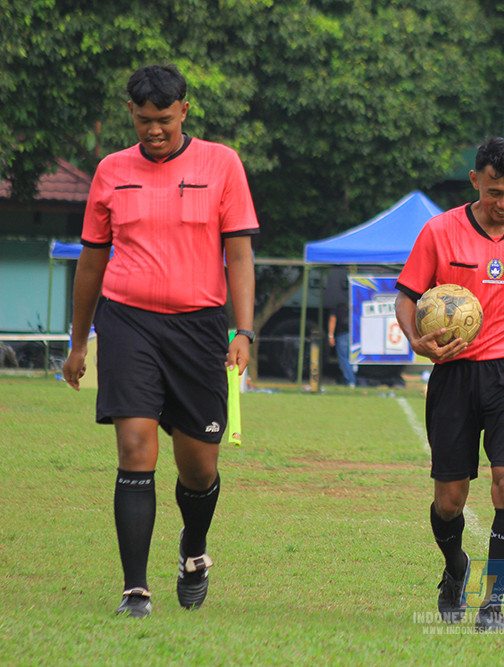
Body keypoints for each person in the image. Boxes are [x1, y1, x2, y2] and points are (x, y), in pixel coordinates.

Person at [61, 64, 259, 618]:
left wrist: (242, 330)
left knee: (198, 468)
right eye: (144, 120)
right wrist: (80, 343)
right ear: (131, 113)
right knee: (134, 448)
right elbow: (92, 261)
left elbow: (239, 255)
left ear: (185, 112)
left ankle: (193, 550)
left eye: (165, 120)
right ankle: (134, 589)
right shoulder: (110, 171)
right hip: (127, 322)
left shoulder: (222, 164)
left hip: (199, 328)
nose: (154, 130)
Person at [394, 137, 504, 632]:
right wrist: (416, 340)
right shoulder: (439, 231)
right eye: (495, 192)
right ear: (475, 181)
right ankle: (454, 570)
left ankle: (494, 605)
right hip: (454, 372)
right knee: (450, 499)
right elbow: (406, 297)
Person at [328, 301, 356, 387]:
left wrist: (330, 335)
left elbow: (332, 320)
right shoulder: (354, 307)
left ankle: (350, 380)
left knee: (344, 359)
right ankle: (351, 377)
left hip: (342, 335)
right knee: (353, 358)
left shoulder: (337, 308)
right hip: (354, 335)